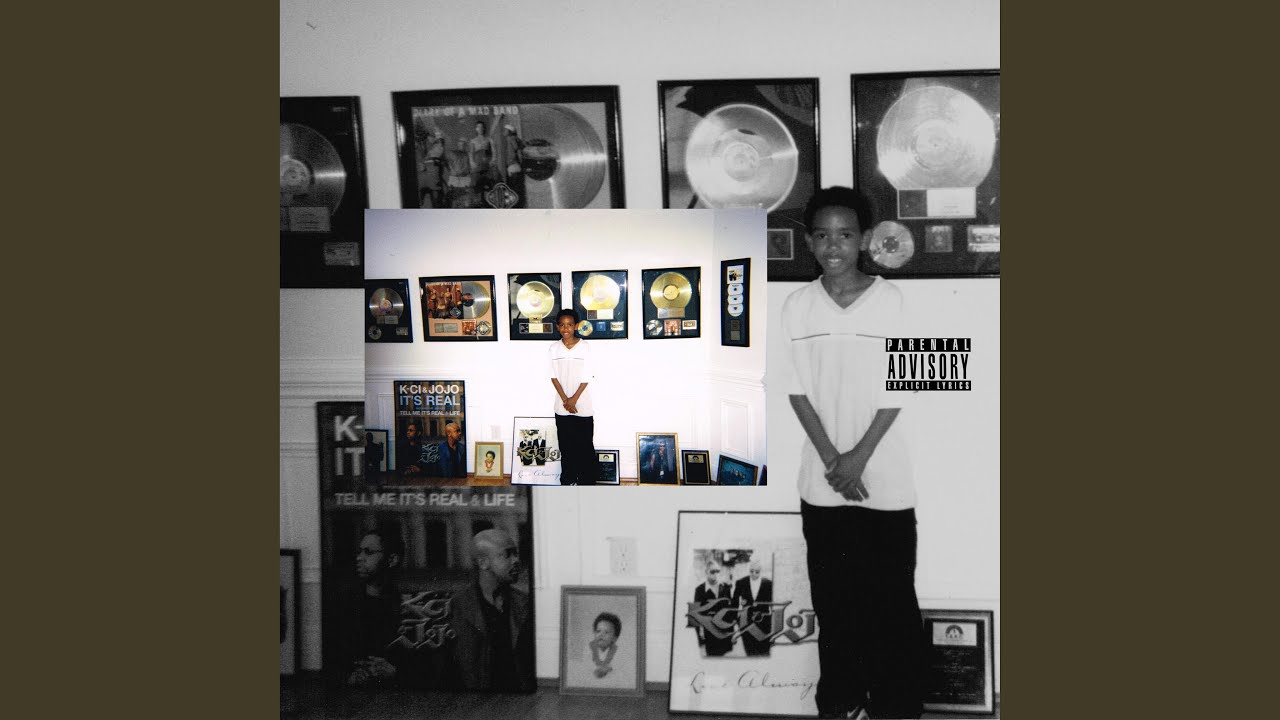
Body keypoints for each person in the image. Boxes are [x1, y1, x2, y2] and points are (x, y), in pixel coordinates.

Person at [783, 186, 926, 719]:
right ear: (809, 241)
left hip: (886, 477)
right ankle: (841, 705)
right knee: (835, 603)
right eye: (822, 235)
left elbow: (910, 383)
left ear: (864, 239)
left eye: (845, 234)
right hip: (822, 483)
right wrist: (833, 461)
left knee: (893, 603)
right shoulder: (796, 305)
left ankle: (896, 707)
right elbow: (795, 391)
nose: (833, 246)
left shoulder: (895, 300)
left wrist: (859, 457)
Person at [444, 528, 535, 691]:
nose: (516, 560)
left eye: (516, 554)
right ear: (483, 563)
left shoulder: (524, 602)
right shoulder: (459, 605)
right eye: (507, 554)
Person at [335, 528, 407, 687]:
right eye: (359, 551)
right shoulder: (344, 605)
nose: (359, 558)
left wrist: (394, 672)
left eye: (368, 552)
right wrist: (349, 677)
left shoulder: (406, 606)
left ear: (392, 560)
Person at [549, 308, 599, 485]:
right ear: (557, 327)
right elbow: (553, 376)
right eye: (562, 325)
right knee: (566, 447)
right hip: (562, 407)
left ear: (576, 326)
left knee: (585, 447)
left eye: (569, 324)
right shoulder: (554, 349)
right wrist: (566, 400)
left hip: (582, 405)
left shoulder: (585, 347)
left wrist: (574, 399)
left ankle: (587, 483)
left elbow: (587, 376)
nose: (566, 328)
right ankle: (568, 481)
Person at [691, 561, 734, 656]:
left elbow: (730, 612)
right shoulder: (699, 590)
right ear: (706, 572)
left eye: (718, 571)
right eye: (712, 571)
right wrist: (699, 634)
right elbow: (695, 615)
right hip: (709, 634)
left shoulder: (726, 588)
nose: (716, 574)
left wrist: (731, 633)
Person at [732, 559, 774, 656]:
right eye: (751, 571)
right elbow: (734, 602)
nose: (754, 574)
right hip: (746, 622)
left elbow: (772, 604)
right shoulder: (741, 582)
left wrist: (773, 622)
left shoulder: (769, 584)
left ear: (761, 571)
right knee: (750, 651)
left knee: (764, 651)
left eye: (757, 572)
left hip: (764, 623)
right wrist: (735, 619)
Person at [589, 612, 621, 678]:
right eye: (598, 631)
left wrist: (609, 668)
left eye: (606, 632)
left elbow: (617, 669)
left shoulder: (617, 653)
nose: (601, 634)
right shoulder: (589, 649)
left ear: (614, 638)